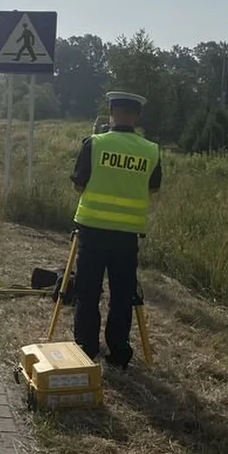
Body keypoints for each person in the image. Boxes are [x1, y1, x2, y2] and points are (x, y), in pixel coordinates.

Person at [68, 91, 162, 369]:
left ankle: (86, 348)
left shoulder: (94, 144)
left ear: (111, 111)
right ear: (137, 116)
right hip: (127, 235)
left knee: (88, 291)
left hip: (92, 231)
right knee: (122, 296)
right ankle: (119, 353)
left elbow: (78, 185)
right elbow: (154, 188)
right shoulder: (150, 150)